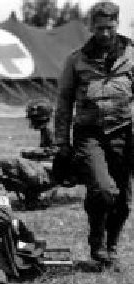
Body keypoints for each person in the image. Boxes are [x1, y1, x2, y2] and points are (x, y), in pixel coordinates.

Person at [54, 1, 134, 268]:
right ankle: (97, 241)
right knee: (102, 189)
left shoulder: (131, 55)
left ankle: (111, 247)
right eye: (99, 28)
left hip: (124, 133)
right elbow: (64, 102)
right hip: (90, 134)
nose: (105, 33)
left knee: (122, 199)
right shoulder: (76, 60)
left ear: (117, 24)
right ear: (91, 27)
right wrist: (61, 142)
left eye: (110, 27)